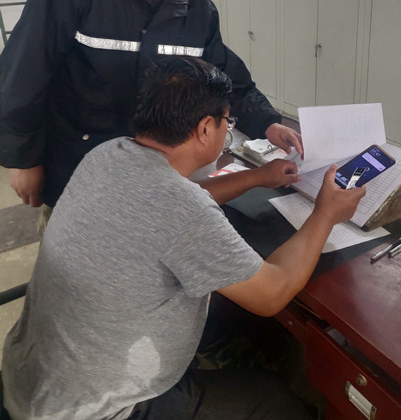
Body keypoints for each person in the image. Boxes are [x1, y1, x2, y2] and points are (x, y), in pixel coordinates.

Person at [2, 57, 364, 420]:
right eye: (227, 122)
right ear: (205, 128)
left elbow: (175, 200)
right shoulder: (182, 209)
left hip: (30, 377)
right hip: (96, 409)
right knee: (276, 403)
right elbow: (273, 292)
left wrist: (257, 177)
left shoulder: (109, 153)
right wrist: (325, 214)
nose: (226, 130)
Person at [0, 0, 302, 211]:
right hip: (76, 169)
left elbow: (223, 74)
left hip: (151, 178)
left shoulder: (196, 9)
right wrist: (23, 158)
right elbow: (26, 66)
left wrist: (267, 122)